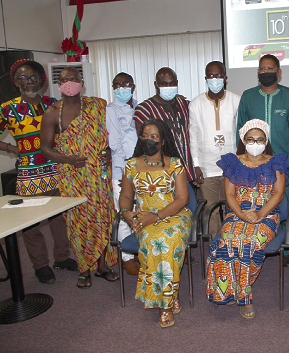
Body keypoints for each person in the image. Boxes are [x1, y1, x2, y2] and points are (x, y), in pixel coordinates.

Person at [0, 59, 77, 284]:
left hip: (56, 170)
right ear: (15, 82)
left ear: (40, 80)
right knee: (31, 223)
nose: (28, 81)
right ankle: (41, 265)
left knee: (60, 219)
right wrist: (10, 148)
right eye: (22, 77)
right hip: (29, 174)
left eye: (32, 76)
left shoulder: (54, 104)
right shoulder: (7, 109)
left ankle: (62, 257)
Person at [41, 66, 118, 289]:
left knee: (103, 219)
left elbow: (114, 134)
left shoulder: (99, 105)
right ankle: (84, 269)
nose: (70, 83)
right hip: (73, 177)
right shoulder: (52, 112)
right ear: (59, 84)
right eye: (65, 80)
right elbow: (45, 148)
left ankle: (102, 266)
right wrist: (67, 160)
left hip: (99, 175)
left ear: (81, 82)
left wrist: (110, 151)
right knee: (79, 222)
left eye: (74, 79)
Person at [206, 119, 289, 319]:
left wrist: (260, 214)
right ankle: (226, 290)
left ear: (266, 141)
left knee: (250, 242)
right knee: (227, 240)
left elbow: (278, 194)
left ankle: (243, 296)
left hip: (267, 213)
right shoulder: (232, 162)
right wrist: (242, 214)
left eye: (260, 139)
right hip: (237, 213)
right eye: (251, 139)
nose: (255, 143)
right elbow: (229, 195)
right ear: (243, 140)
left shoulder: (276, 162)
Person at [118, 119, 191, 328]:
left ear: (163, 141)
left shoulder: (175, 164)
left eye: (154, 137)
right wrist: (127, 214)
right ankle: (169, 296)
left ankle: (165, 304)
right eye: (145, 136)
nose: (148, 140)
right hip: (144, 216)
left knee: (167, 240)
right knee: (153, 242)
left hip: (175, 216)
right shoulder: (131, 165)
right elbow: (125, 196)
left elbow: (182, 199)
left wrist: (157, 216)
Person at [236, 55, 289, 262]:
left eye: (270, 68)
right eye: (262, 69)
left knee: (287, 203)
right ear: (258, 73)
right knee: (255, 202)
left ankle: (288, 248)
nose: (266, 72)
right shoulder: (247, 96)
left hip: (283, 163)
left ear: (279, 72)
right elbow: (240, 130)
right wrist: (239, 164)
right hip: (254, 164)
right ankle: (256, 241)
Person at [189, 61, 240, 237]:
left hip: (231, 166)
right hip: (206, 167)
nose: (215, 79)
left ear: (225, 78)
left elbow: (242, 133)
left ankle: (231, 244)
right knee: (210, 211)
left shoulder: (236, 100)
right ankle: (214, 248)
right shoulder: (195, 104)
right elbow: (193, 137)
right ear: (205, 79)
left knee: (232, 208)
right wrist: (196, 165)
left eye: (218, 76)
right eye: (211, 76)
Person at [133, 67, 196, 182]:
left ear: (177, 84)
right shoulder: (144, 110)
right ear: (156, 84)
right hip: (161, 173)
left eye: (172, 84)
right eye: (164, 84)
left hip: (188, 170)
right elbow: (145, 145)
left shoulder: (186, 105)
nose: (168, 87)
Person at [106, 72, 139, 275]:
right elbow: (115, 143)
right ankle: (127, 258)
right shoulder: (111, 109)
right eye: (116, 85)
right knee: (124, 212)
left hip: (141, 169)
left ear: (133, 86)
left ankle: (138, 251)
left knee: (140, 209)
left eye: (125, 84)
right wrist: (128, 167)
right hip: (122, 169)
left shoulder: (139, 106)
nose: (121, 88)